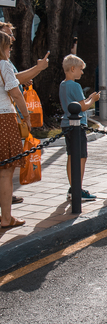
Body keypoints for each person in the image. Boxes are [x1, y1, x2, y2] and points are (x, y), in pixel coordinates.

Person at [0, 21, 49, 206]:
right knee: (6, 166)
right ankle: (5, 209)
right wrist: (38, 68)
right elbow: (14, 84)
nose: (11, 39)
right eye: (6, 35)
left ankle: (5, 198)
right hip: (5, 115)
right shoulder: (3, 63)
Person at [60, 54, 100, 201]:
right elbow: (82, 107)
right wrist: (92, 99)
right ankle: (78, 189)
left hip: (66, 124)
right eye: (80, 69)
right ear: (72, 69)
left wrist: (88, 98)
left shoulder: (62, 84)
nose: (82, 72)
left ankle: (73, 187)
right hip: (78, 126)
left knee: (71, 156)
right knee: (81, 157)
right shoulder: (75, 85)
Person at [0, 31, 29, 229]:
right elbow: (15, 93)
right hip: (4, 118)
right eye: (9, 46)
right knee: (5, 171)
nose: (11, 50)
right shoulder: (4, 65)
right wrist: (26, 116)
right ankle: (6, 218)